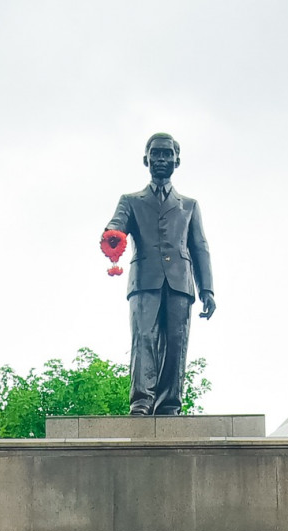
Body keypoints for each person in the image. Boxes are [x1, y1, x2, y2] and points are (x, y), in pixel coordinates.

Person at [102, 132, 216, 415]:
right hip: (145, 280)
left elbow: (199, 246)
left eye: (167, 154)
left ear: (177, 161)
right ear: (146, 159)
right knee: (143, 338)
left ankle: (169, 404)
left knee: (177, 342)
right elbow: (116, 225)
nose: (161, 159)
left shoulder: (189, 205)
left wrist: (207, 289)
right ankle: (141, 400)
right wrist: (112, 235)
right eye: (156, 153)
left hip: (180, 282)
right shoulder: (131, 201)